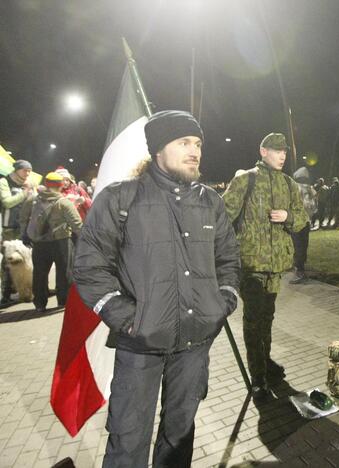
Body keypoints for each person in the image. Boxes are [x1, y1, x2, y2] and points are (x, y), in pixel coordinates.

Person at [73, 110, 241, 467]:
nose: (194, 150)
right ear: (158, 150)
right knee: (128, 439)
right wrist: (130, 318)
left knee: (179, 436)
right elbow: (89, 268)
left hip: (195, 344)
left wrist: (222, 301)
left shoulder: (210, 202)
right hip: (140, 344)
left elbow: (228, 257)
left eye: (197, 143)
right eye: (184, 142)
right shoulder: (120, 199)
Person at [223, 133, 308, 401]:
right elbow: (223, 217)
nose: (282, 155)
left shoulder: (289, 184)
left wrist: (288, 217)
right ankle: (258, 378)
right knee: (253, 321)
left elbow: (302, 219)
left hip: (276, 266)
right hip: (250, 265)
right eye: (276, 150)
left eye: (284, 151)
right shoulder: (245, 180)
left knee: (267, 320)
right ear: (263, 151)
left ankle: (265, 363)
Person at [20, 172, 82, 312]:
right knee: (63, 272)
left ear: (46, 184)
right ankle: (63, 301)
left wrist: (25, 235)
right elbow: (77, 225)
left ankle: (40, 304)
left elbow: (23, 218)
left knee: (40, 273)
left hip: (39, 243)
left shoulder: (33, 200)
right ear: (60, 186)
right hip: (61, 242)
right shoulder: (64, 202)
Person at [0, 159, 34, 305]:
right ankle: (6, 294)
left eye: (29, 171)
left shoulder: (27, 183)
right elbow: (7, 202)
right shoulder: (4, 182)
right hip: (10, 228)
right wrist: (25, 193)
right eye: (25, 170)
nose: (27, 174)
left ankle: (28, 290)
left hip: (25, 227)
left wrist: (32, 191)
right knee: (9, 262)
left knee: (28, 260)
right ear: (16, 170)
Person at [290, 166, 317, 284]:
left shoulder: (295, 189)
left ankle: (299, 271)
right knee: (303, 245)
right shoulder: (312, 190)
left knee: (297, 246)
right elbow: (315, 208)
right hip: (306, 222)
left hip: (296, 222)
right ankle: (301, 269)